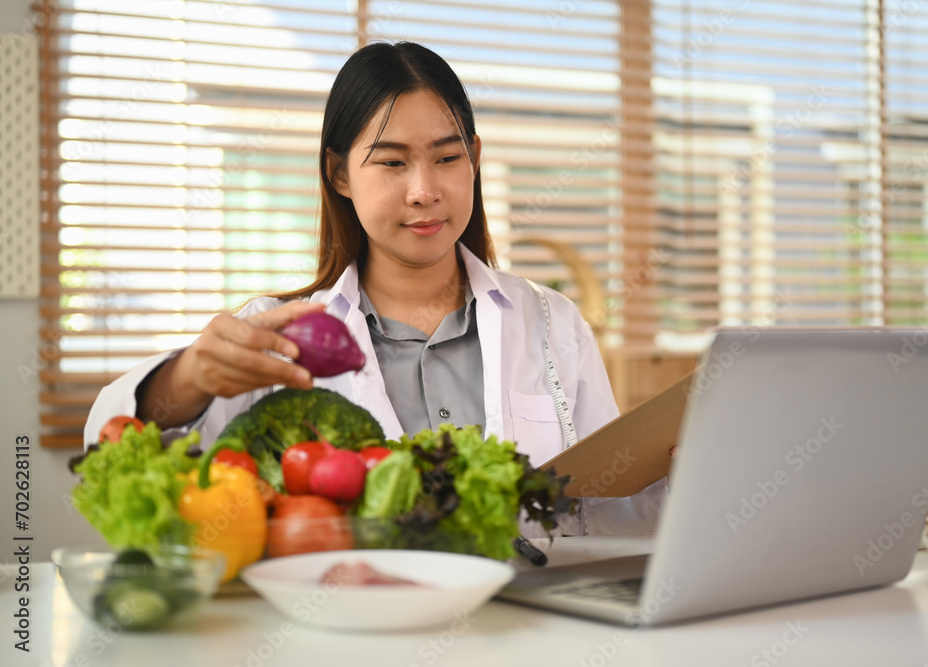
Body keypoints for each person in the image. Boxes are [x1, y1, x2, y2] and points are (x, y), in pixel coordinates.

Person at [84, 41, 661, 534]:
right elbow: (116, 460)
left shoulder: (553, 323)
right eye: (391, 163)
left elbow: (607, 510)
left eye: (447, 157)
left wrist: (687, 478)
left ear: (475, 158)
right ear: (339, 174)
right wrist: (184, 381)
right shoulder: (276, 336)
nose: (424, 190)